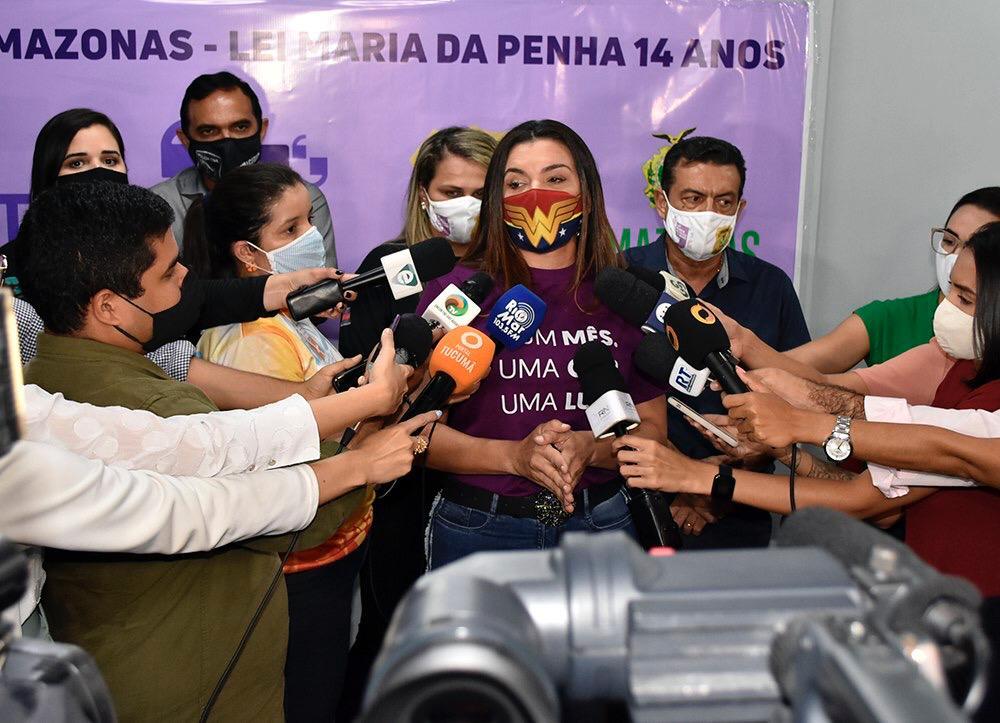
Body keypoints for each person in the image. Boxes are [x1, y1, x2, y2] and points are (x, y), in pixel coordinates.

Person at [16, 181, 405, 721]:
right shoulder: (159, 404)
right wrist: (365, 443)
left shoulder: (42, 373)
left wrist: (326, 410)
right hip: (196, 685)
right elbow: (284, 518)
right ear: (109, 307)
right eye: (168, 272)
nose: (186, 277)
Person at [613, 223, 1000, 598]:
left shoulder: (978, 396)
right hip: (934, 595)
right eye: (951, 291)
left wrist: (798, 425)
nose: (947, 306)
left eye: (965, 299)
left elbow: (941, 448)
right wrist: (779, 431)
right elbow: (870, 478)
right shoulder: (961, 369)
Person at [414, 119, 667, 570]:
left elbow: (653, 429)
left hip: (602, 525)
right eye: (516, 183)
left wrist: (592, 447)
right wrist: (513, 457)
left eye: (555, 179)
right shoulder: (457, 293)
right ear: (496, 198)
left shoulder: (623, 293)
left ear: (586, 193)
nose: (536, 195)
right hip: (480, 528)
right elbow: (417, 430)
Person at [9, 107, 351, 410]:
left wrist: (290, 288)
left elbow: (194, 314)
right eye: (77, 163)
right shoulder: (13, 279)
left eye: (110, 160)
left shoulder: (151, 276)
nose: (98, 172)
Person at [182, 162, 363, 721]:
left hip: (329, 552)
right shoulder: (252, 338)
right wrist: (381, 408)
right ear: (249, 255)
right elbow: (293, 453)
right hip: (295, 568)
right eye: (290, 229)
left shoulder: (287, 317)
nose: (310, 236)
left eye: (309, 220)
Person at [624, 135, 810, 548]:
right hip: (631, 506)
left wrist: (722, 481)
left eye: (724, 202)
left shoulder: (771, 286)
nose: (708, 213)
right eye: (693, 198)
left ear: (740, 210)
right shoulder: (622, 278)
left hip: (739, 507)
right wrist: (682, 480)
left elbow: (799, 399)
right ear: (661, 204)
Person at [785, 187, 1000, 372]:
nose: (956, 257)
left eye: (974, 247)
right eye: (949, 241)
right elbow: (791, 370)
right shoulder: (889, 318)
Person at [339, 126, 497, 359]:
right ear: (423, 193)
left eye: (481, 195)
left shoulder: (513, 267)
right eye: (452, 193)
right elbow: (355, 361)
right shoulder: (389, 264)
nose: (467, 205)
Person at [151, 71, 337, 265]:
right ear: (185, 140)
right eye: (209, 131)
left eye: (240, 127)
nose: (227, 141)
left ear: (262, 130)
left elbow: (321, 278)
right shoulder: (159, 207)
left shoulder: (303, 199)